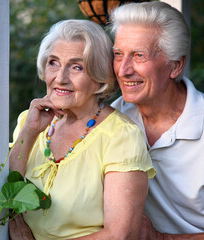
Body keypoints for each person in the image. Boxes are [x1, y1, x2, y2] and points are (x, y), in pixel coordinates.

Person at [9, 19, 155, 240]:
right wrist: (29, 133)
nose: (60, 78)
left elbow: (121, 235)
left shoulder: (120, 136)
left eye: (76, 67)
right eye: (53, 63)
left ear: (99, 78)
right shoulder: (29, 121)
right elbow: (4, 194)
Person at [109, 2, 204, 239]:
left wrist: (163, 238)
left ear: (175, 65)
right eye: (118, 55)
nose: (123, 70)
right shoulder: (110, 120)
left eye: (139, 56)